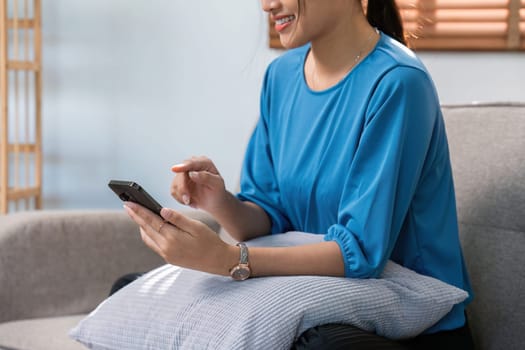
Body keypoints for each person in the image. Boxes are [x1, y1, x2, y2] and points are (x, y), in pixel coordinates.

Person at [123, 0, 474, 348]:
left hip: (414, 329)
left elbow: (361, 253)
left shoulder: (398, 83)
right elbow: (268, 217)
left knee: (318, 346)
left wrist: (229, 259)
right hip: (320, 298)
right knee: (131, 293)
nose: (267, 5)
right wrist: (218, 201)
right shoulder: (282, 76)